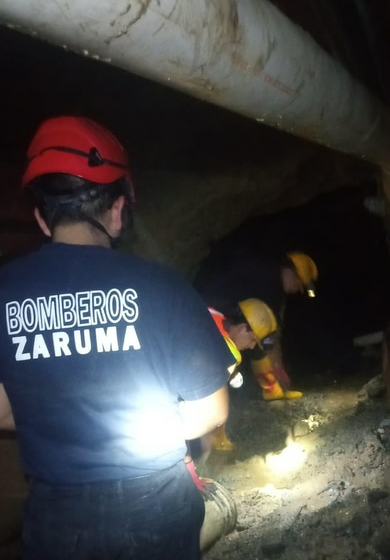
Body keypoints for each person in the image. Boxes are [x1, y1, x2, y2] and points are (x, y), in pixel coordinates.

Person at [0, 116, 234, 560]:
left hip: (56, 516)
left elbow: (2, 409)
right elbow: (211, 411)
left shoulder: (4, 292)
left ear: (40, 218)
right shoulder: (162, 285)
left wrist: (63, 419)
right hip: (156, 506)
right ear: (118, 209)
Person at [194, 243, 318, 400]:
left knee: (250, 344)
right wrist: (276, 366)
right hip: (210, 308)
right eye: (299, 282)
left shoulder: (266, 274)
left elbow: (261, 334)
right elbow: (267, 337)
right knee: (246, 343)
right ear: (291, 271)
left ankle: (270, 389)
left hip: (213, 306)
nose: (298, 288)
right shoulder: (268, 284)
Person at [208, 298, 278, 450]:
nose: (252, 346)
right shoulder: (212, 338)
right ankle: (213, 442)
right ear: (242, 327)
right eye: (253, 339)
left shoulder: (217, 317)